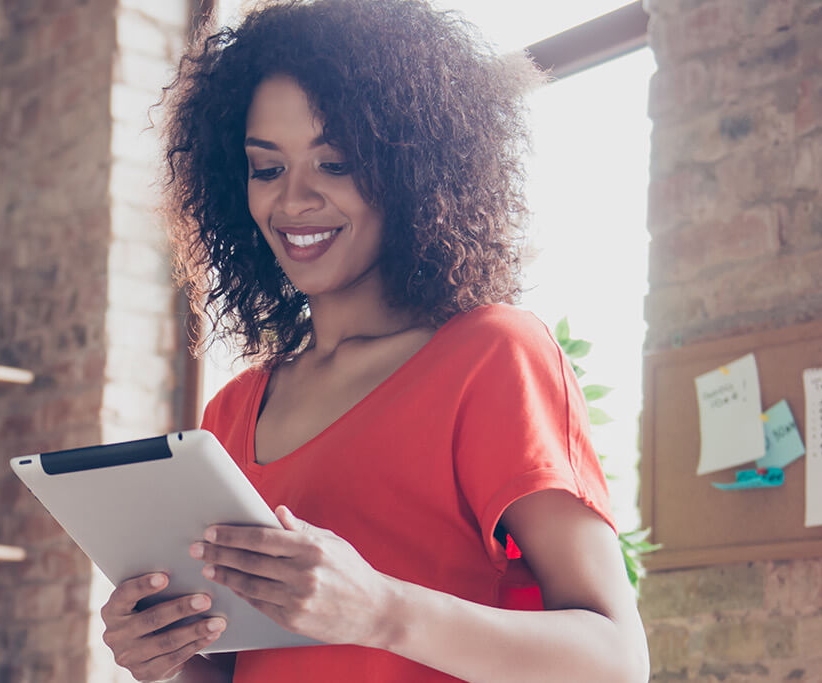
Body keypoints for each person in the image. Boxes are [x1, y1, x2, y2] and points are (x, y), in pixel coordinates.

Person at [98, 1, 650, 681]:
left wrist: (380, 610)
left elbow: (616, 661)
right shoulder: (233, 413)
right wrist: (170, 655)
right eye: (266, 168)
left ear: (411, 170)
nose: (294, 199)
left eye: (334, 163)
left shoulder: (491, 357)